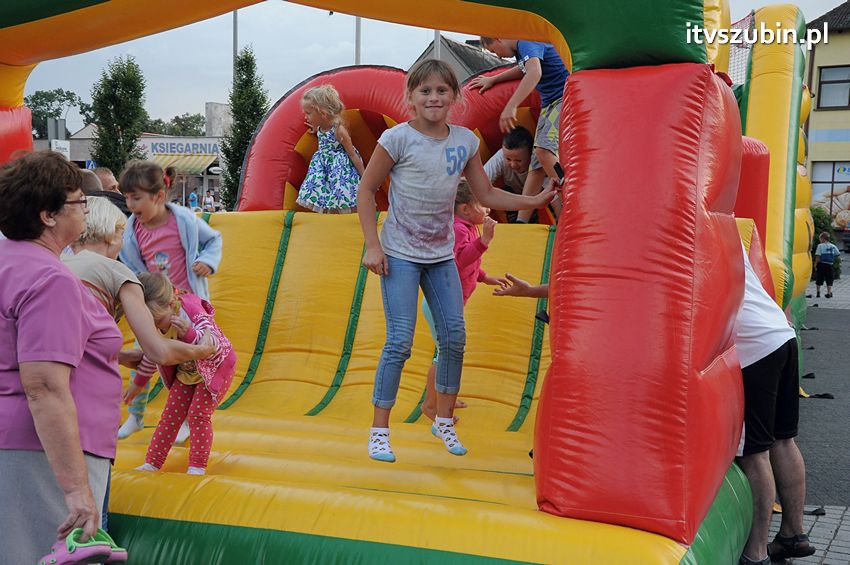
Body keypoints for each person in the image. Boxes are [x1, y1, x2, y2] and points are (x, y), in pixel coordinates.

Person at [357, 59, 554, 463]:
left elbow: (487, 194)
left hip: (440, 255)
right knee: (399, 341)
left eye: (441, 91)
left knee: (455, 338)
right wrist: (372, 245)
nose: (433, 98)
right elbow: (366, 189)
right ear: (410, 97)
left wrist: (531, 201)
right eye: (425, 91)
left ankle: (442, 419)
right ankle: (379, 429)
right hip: (399, 254)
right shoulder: (396, 139)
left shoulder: (464, 141)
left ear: (454, 96)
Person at [63, 196, 216, 531]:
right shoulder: (119, 273)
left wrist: (118, 355)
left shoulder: (59, 265)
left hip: (47, 399)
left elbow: (70, 338)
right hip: (88, 404)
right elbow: (159, 350)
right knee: (91, 510)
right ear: (112, 235)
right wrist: (200, 352)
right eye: (122, 235)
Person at [0, 151, 120, 563]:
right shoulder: (49, 278)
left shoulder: (11, 263)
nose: (86, 208)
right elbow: (45, 387)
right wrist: (76, 489)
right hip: (40, 452)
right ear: (48, 214)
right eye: (78, 201)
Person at [117, 160, 223, 440]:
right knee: (144, 357)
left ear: (159, 196)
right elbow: (131, 264)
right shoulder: (133, 230)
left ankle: (189, 420)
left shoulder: (184, 221)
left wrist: (207, 262)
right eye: (127, 197)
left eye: (136, 197)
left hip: (186, 306)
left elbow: (214, 240)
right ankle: (135, 416)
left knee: (190, 365)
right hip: (153, 307)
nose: (130, 204)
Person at [734, 249, 815, 564]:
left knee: (755, 451)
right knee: (784, 439)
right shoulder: (718, 218)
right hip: (780, 334)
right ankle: (794, 533)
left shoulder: (685, 220)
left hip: (752, 345)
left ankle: (756, 552)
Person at [127, 273, 236, 476]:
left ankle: (197, 466)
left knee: (198, 415)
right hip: (186, 371)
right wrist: (139, 383)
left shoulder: (190, 312)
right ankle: (153, 462)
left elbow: (213, 344)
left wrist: (189, 334)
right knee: (169, 416)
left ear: (170, 304)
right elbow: (153, 354)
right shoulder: (153, 321)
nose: (157, 327)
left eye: (159, 321)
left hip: (214, 368)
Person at [420, 182, 507, 420]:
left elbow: (467, 267)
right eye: (482, 204)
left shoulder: (468, 227)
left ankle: (445, 397)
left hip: (449, 302)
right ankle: (430, 405)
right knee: (444, 354)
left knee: (448, 352)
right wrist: (485, 241)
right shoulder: (458, 229)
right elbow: (459, 261)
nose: (487, 208)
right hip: (440, 302)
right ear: (466, 209)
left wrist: (485, 277)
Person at [470, 38, 569, 223]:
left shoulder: (526, 40)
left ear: (499, 37)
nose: (497, 55)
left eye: (493, 50)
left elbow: (534, 72)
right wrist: (494, 79)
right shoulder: (522, 51)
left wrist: (511, 106)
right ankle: (521, 222)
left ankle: (572, 201)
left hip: (564, 97)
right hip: (549, 104)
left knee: (543, 151)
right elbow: (523, 69)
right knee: (536, 167)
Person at [296, 84, 364, 213]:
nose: (306, 117)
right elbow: (319, 132)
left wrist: (365, 177)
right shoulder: (320, 127)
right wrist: (313, 130)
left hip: (339, 169)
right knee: (321, 191)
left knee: (339, 193)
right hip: (323, 168)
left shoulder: (339, 130)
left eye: (308, 113)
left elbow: (352, 155)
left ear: (323, 113)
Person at [483, 126, 541, 222]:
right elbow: (480, 182)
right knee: (505, 191)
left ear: (531, 154)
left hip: (539, 197)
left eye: (518, 160)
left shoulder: (538, 160)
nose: (513, 165)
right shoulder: (500, 157)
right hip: (514, 197)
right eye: (508, 159)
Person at [814, 231, 840, 298]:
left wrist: (815, 264)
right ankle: (829, 292)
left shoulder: (820, 246)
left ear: (823, 238)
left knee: (819, 278)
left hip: (821, 264)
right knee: (829, 279)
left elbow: (818, 256)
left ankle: (818, 292)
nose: (820, 240)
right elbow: (837, 254)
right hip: (829, 265)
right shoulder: (832, 246)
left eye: (820, 238)